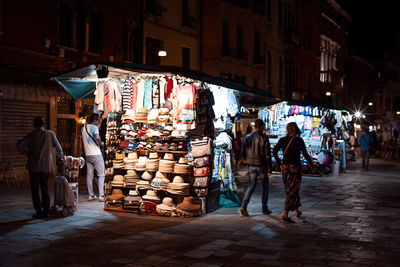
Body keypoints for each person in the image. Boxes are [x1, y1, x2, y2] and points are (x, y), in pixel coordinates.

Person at [17, 117, 64, 218]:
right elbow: (59, 149)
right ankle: (46, 211)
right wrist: (61, 158)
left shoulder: (31, 135)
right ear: (44, 124)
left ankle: (38, 211)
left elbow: (20, 145)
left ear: (34, 125)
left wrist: (28, 153)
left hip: (33, 167)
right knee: (45, 188)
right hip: (45, 167)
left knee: (34, 190)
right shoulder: (50, 134)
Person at [273, 122, 314, 223]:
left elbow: (274, 151)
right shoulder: (299, 140)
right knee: (293, 190)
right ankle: (285, 214)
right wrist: (312, 165)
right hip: (295, 168)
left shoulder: (282, 140)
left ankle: (297, 210)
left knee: (290, 189)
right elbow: (305, 153)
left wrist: (279, 163)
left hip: (285, 168)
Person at [240, 119, 272, 216]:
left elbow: (243, 151)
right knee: (265, 186)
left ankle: (244, 205)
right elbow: (267, 155)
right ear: (262, 126)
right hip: (261, 165)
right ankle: (264, 208)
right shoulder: (264, 138)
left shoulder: (247, 137)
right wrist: (269, 168)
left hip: (251, 165)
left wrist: (246, 160)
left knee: (251, 185)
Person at [82, 113, 105, 201]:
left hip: (88, 155)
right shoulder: (94, 127)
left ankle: (91, 195)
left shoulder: (83, 128)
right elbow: (97, 137)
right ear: (94, 120)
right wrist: (101, 143)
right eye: (98, 120)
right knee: (101, 175)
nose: (99, 122)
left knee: (89, 176)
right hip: (96, 154)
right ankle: (101, 195)